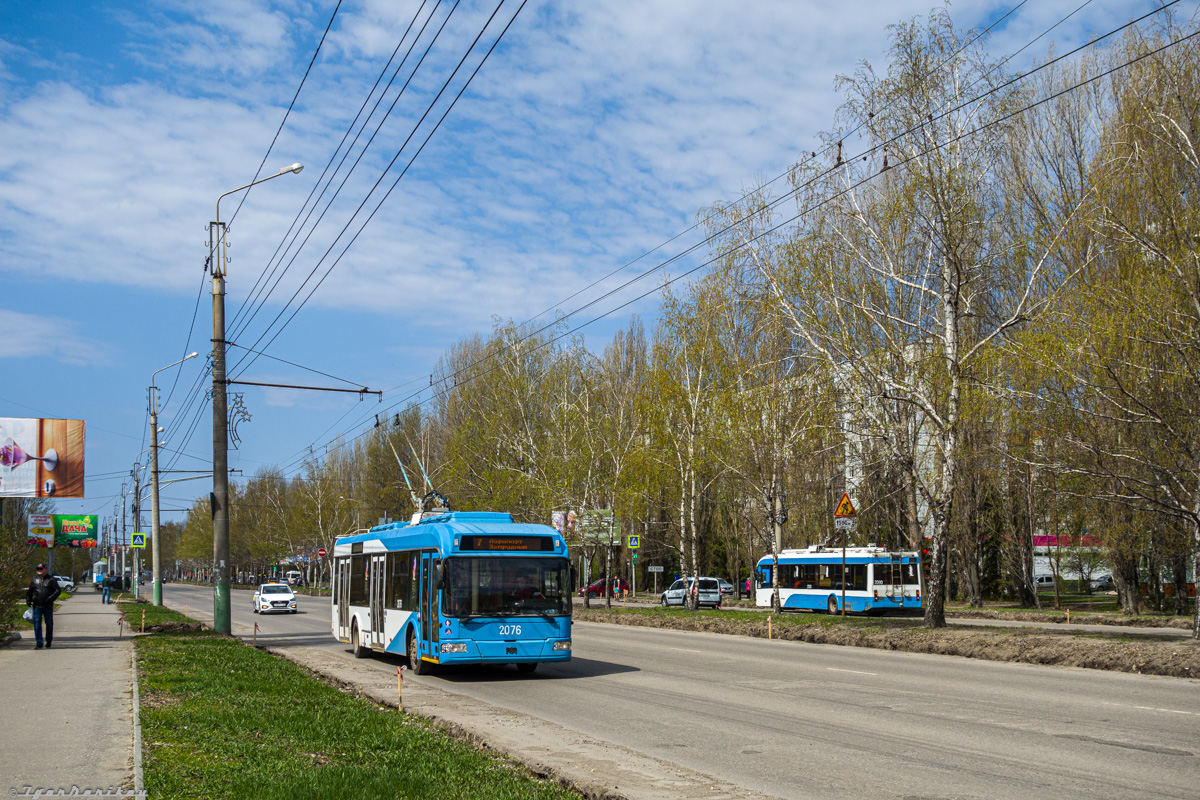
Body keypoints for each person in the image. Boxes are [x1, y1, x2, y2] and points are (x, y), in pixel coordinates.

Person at [26, 563, 62, 650]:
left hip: (48, 606)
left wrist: (50, 598)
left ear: (46, 569)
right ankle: (39, 643)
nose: (39, 570)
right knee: (37, 624)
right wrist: (28, 599)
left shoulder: (51, 580)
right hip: (37, 606)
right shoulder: (34, 580)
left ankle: (48, 642)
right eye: (38, 569)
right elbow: (30, 591)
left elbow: (57, 591)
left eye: (41, 569)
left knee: (49, 624)